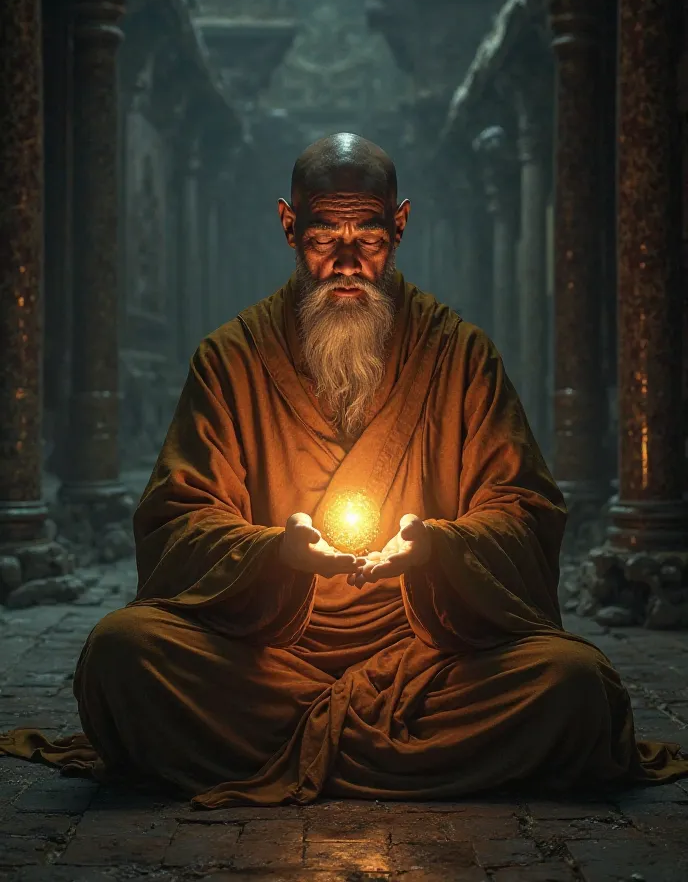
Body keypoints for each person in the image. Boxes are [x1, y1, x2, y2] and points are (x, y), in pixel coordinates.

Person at [2, 132, 686, 807]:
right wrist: (276, 553)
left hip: (428, 654)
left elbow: (526, 514)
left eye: (371, 235)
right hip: (268, 656)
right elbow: (177, 523)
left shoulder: (460, 356)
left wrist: (438, 546)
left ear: (402, 223)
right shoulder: (231, 359)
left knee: (575, 684)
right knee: (121, 656)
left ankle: (300, 748)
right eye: (326, 235)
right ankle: (399, 756)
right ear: (289, 225)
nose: (349, 261)